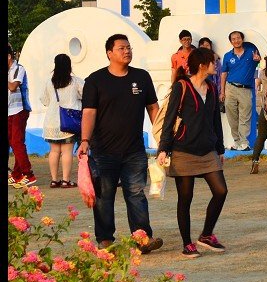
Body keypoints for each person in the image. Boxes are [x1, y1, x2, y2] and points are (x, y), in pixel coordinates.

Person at [80, 34, 163, 253]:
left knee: (136, 194)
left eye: (129, 47)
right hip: (103, 151)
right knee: (104, 196)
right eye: (121, 48)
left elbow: (153, 108)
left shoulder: (142, 77)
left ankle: (143, 238)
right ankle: (106, 240)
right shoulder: (95, 80)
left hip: (134, 150)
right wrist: (85, 140)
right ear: (109, 53)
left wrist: (161, 137)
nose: (127, 51)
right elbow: (89, 112)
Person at [158, 47, 228, 258]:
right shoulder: (182, 86)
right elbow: (169, 119)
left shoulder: (213, 88)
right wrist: (164, 148)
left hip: (207, 150)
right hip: (183, 150)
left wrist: (220, 148)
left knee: (221, 191)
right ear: (201, 65)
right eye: (213, 61)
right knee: (185, 197)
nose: (216, 65)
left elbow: (216, 120)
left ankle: (206, 235)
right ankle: (187, 243)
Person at [39, 53, 84, 188]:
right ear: (69, 66)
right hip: (69, 122)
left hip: (52, 123)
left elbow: (44, 100)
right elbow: (86, 95)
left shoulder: (49, 82)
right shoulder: (76, 81)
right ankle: (65, 180)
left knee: (54, 152)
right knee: (67, 152)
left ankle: (54, 180)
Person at [219, 30, 261, 151]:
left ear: (242, 39)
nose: (236, 40)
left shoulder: (251, 53)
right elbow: (223, 74)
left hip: (245, 89)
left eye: (238, 38)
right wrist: (222, 92)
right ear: (231, 41)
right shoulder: (228, 56)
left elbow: (257, 66)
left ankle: (244, 142)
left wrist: (257, 61)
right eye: (233, 39)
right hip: (230, 88)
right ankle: (236, 141)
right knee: (232, 116)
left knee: (245, 116)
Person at [8, 45, 35, 188]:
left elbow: (12, 87)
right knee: (14, 143)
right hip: (9, 111)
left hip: (20, 109)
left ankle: (28, 174)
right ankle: (17, 175)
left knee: (18, 142)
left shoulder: (19, 69)